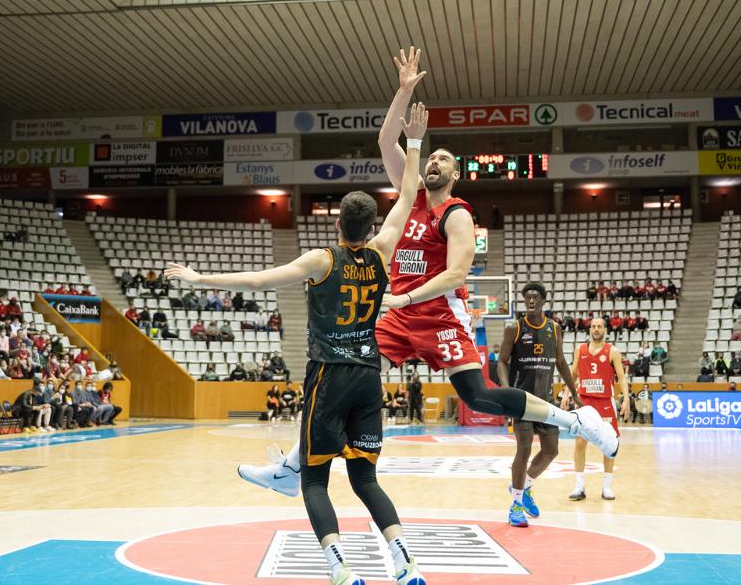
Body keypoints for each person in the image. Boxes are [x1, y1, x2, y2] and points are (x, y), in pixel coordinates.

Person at [233, 47, 617, 504]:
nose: (433, 162)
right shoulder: (409, 195)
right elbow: (384, 141)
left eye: (444, 160)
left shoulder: (457, 214)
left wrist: (407, 299)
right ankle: (292, 469)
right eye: (430, 156)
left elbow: (458, 271)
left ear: (457, 174)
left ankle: (576, 423)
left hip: (438, 313)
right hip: (398, 313)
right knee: (339, 371)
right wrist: (403, 91)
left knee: (478, 396)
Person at [165, 102, 432, 585]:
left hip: (329, 375)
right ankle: (405, 561)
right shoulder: (383, 251)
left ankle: (341, 570)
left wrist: (200, 275)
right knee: (366, 479)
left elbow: (260, 281)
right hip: (371, 376)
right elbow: (410, 191)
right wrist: (412, 140)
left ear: (337, 225)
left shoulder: (321, 260)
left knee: (313, 479)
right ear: (372, 227)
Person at [496, 282, 580, 527]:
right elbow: (501, 361)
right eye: (527, 299)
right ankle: (516, 505)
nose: (531, 302)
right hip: (522, 400)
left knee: (551, 450)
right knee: (524, 449)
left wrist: (574, 393)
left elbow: (562, 363)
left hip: (546, 400)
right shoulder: (514, 328)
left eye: (535, 298)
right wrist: (505, 389)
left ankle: (525, 485)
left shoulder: (554, 329)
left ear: (543, 300)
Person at [569, 317, 630, 502]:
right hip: (584, 401)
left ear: (605, 329)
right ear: (590, 329)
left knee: (609, 444)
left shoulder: (613, 351)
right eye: (593, 326)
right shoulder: (580, 349)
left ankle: (607, 486)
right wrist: (566, 393)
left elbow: (621, 377)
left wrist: (626, 398)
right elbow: (573, 373)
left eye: (599, 326)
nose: (596, 329)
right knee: (580, 443)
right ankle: (579, 486)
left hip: (604, 402)